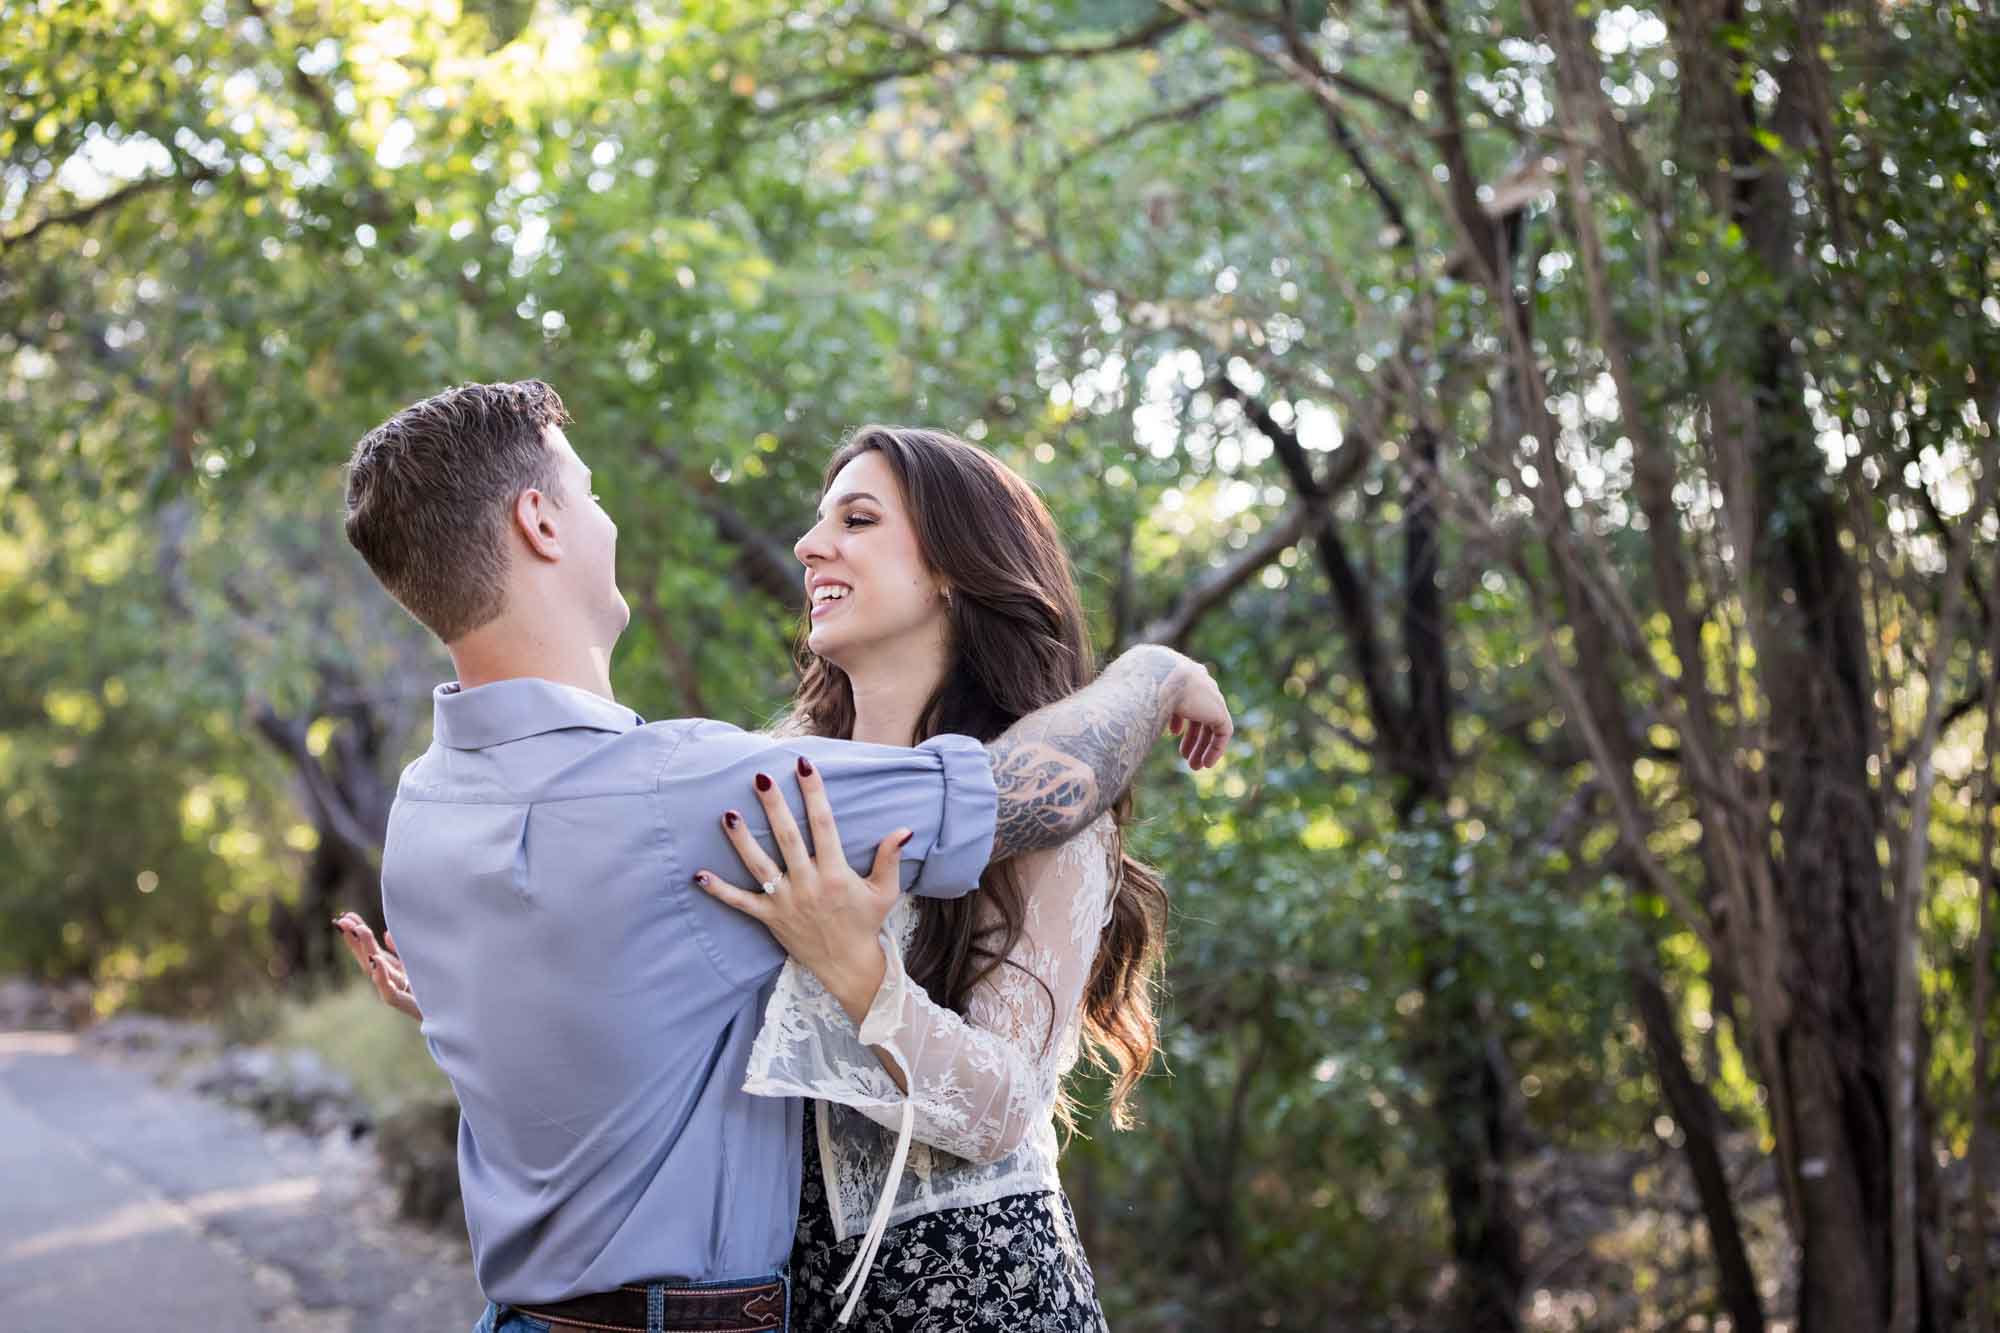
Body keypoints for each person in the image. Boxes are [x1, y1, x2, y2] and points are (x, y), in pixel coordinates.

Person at [332, 381, 1230, 1333]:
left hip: (970, 1294)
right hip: (785, 1299)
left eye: (858, 517)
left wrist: (860, 971)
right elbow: (642, 960)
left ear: (953, 571)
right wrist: (501, 986)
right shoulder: (744, 781)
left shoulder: (1045, 823)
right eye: (818, 519)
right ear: (539, 524)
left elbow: (1003, 1108)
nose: (809, 545)